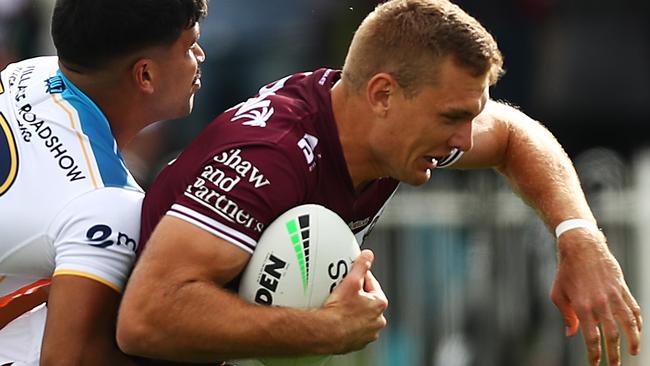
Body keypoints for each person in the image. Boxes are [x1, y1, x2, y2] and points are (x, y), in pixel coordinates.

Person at [116, 1, 642, 365]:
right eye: (451, 117)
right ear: (384, 94)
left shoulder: (368, 124)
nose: (463, 139)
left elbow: (513, 133)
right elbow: (145, 318)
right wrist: (325, 330)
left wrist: (579, 237)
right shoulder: (268, 158)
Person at [0, 0, 207, 364]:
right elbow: (66, 360)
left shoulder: (31, 71)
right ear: (145, 76)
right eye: (190, 45)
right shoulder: (107, 204)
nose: (200, 55)